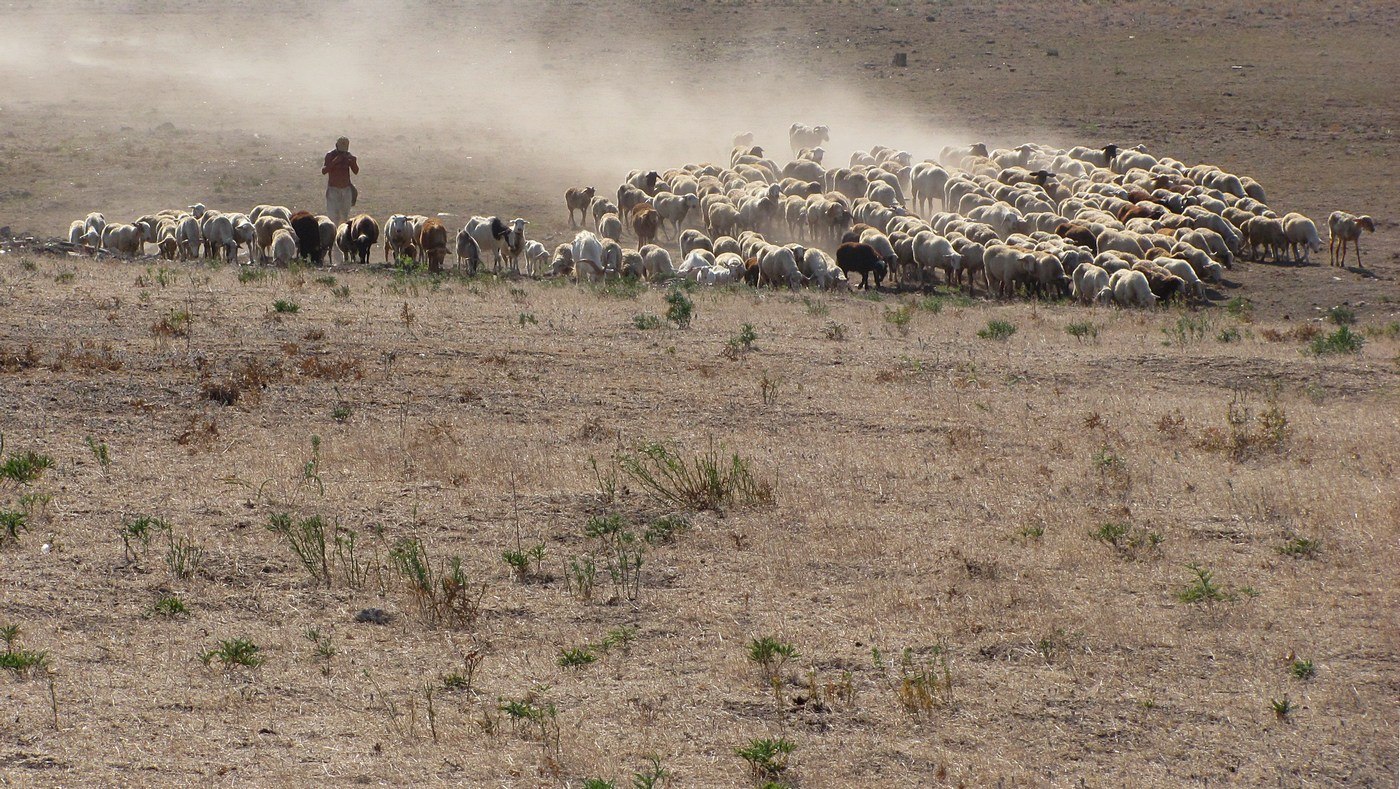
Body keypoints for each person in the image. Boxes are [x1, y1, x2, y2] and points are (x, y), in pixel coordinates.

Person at [322, 136, 359, 225]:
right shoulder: (330, 155)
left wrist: (353, 162)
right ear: (336, 146)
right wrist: (334, 162)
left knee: (344, 216)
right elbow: (324, 171)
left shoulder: (348, 156)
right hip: (333, 190)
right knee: (333, 217)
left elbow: (356, 171)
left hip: (346, 189)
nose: (342, 152)